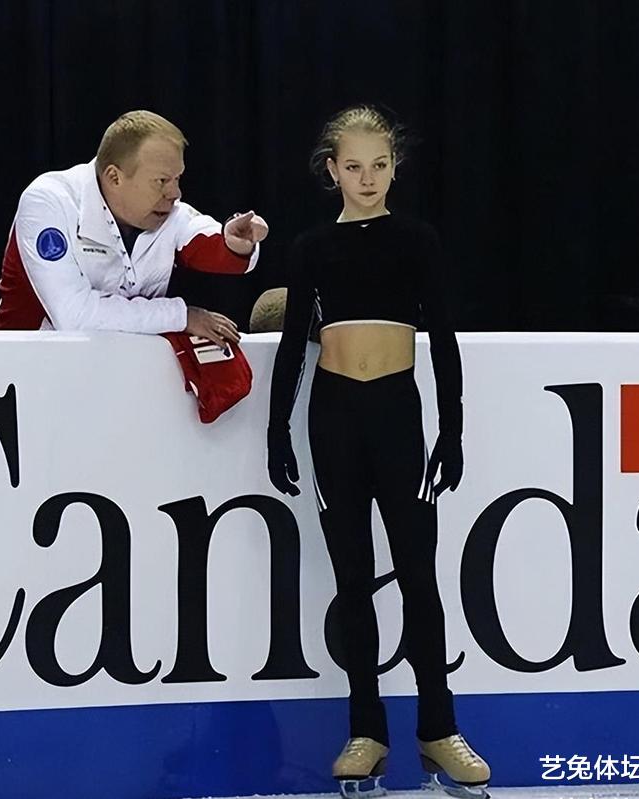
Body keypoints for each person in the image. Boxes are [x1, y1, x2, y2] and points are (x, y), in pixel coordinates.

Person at [266, 105, 491, 799]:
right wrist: (278, 427)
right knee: (353, 581)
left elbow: (444, 339)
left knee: (419, 577)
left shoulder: (416, 239)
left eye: (380, 165)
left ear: (395, 167)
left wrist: (450, 429)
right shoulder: (309, 248)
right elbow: (292, 346)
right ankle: (365, 730)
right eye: (353, 166)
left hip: (398, 413)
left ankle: (438, 726)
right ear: (331, 170)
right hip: (333, 417)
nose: (367, 178)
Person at [0, 110, 267, 350]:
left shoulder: (168, 211)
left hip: (115, 377)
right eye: (161, 180)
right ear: (114, 177)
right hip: (22, 374)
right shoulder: (49, 200)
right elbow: (74, 316)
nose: (175, 192)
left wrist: (236, 244)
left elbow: (211, 244)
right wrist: (181, 316)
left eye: (177, 178)